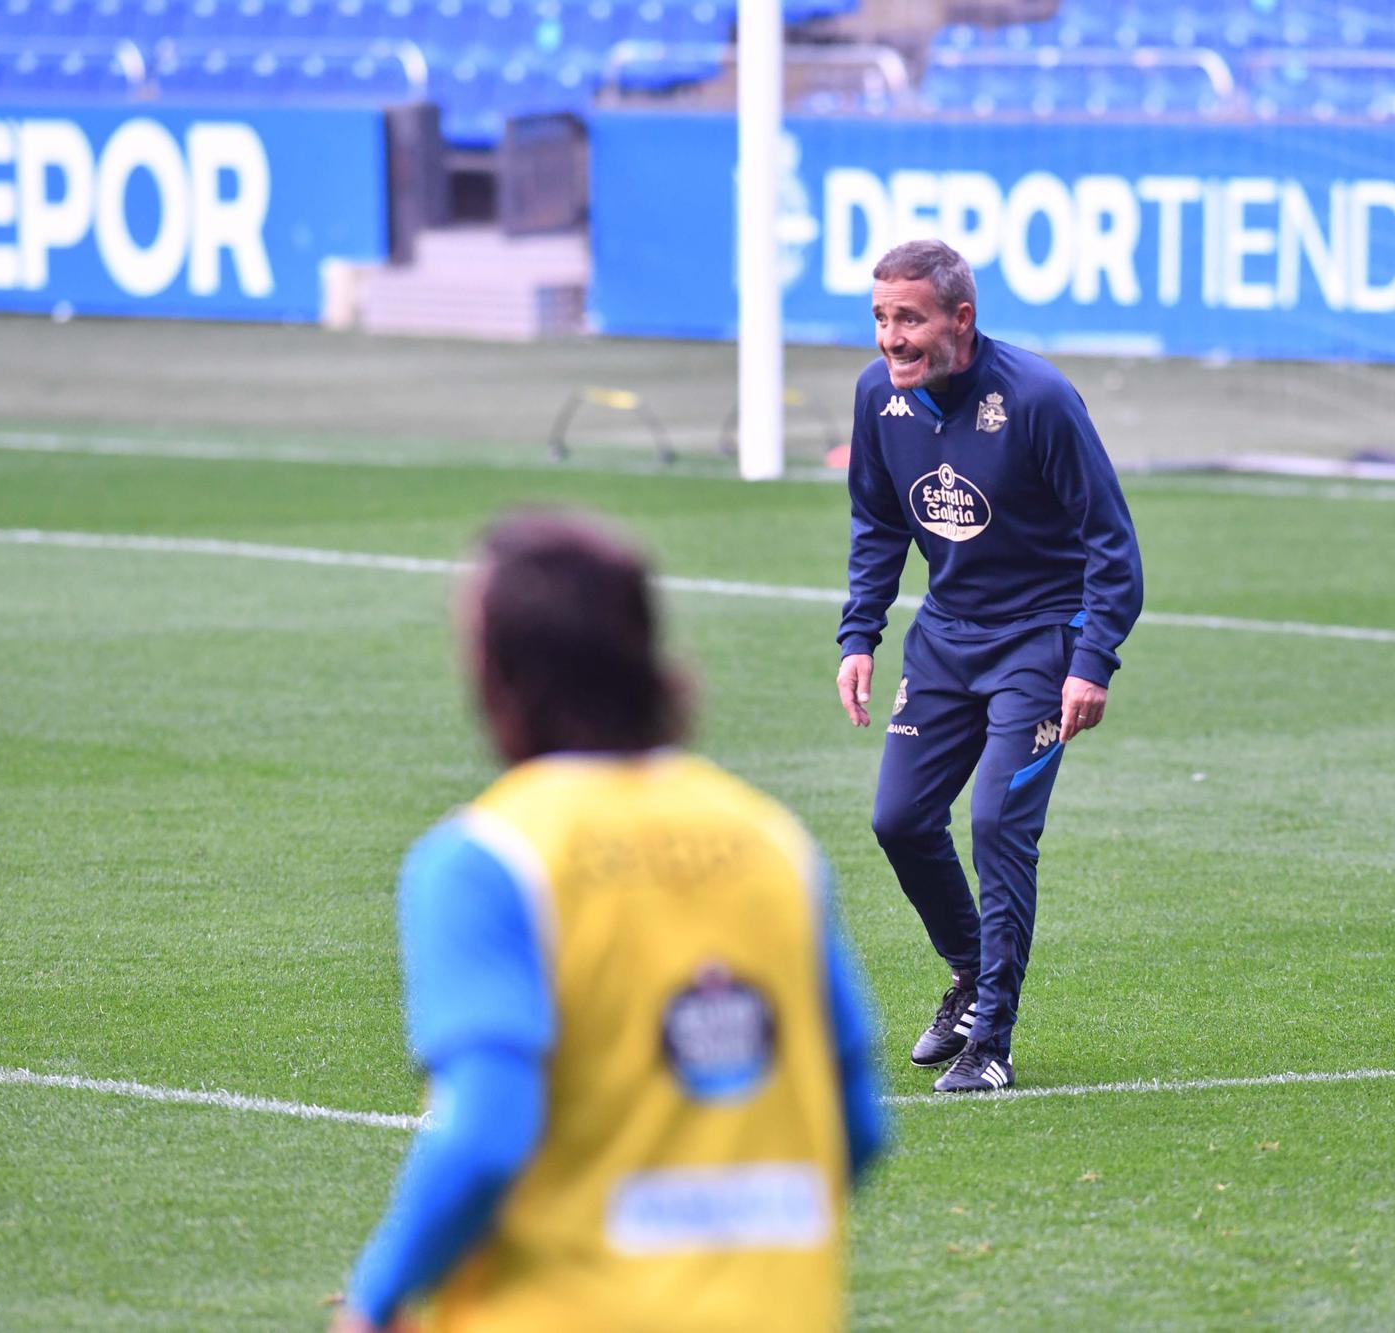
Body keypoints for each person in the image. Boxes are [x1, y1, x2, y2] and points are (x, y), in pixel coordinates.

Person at [335, 509, 887, 1332]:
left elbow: (484, 1134)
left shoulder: (488, 860)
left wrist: (376, 1298)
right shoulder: (773, 842)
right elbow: (861, 1123)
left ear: (502, 671)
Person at [836, 240, 1144, 1095]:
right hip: (944, 637)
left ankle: (992, 1043)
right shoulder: (877, 398)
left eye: (910, 319)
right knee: (899, 819)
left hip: (1040, 643)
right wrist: (859, 634)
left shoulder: (1038, 399)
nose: (891, 338)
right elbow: (876, 523)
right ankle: (971, 977)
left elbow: (1112, 547)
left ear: (960, 319)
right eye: (880, 318)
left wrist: (1092, 659)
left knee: (998, 825)